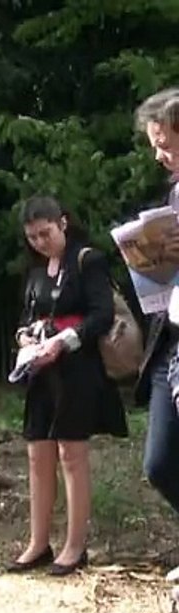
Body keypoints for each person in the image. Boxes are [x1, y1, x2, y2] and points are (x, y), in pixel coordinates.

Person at [7, 196, 127, 576]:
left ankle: (75, 546)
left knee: (71, 455)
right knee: (37, 454)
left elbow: (102, 315)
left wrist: (62, 341)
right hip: (40, 372)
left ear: (63, 223)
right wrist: (26, 339)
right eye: (32, 237)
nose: (40, 242)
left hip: (78, 369)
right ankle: (37, 543)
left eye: (45, 232)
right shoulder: (36, 270)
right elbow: (27, 317)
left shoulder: (87, 260)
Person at [133, 89, 179, 535]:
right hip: (172, 341)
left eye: (164, 144)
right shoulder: (174, 195)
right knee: (161, 462)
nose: (158, 155)